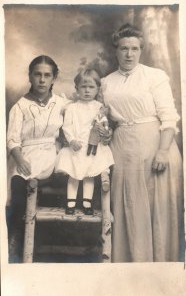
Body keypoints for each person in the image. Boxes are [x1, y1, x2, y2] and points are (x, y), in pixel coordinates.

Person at [101, 23, 184, 262]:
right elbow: (106, 119)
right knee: (127, 206)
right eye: (124, 48)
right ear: (115, 50)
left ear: (141, 50)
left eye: (135, 49)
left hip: (154, 145)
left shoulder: (154, 76)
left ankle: (159, 270)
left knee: (155, 207)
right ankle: (129, 268)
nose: (129, 54)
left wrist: (163, 151)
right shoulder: (107, 82)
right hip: (121, 148)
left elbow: (168, 117)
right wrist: (105, 132)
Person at [7, 55, 70, 263]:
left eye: (47, 75)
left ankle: (51, 244)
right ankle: (15, 238)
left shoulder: (61, 103)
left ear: (54, 78)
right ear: (30, 77)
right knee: (18, 181)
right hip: (26, 154)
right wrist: (20, 159)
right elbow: (13, 140)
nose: (42, 80)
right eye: (37, 75)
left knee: (64, 171)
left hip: (52, 151)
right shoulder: (20, 106)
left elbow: (80, 117)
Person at [55, 69, 114, 215]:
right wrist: (72, 140)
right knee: (74, 174)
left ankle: (87, 203)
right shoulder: (72, 108)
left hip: (93, 147)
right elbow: (67, 126)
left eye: (91, 87)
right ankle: (71, 203)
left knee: (89, 174)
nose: (87, 90)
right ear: (77, 89)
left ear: (97, 89)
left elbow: (103, 124)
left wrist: (105, 131)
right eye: (83, 87)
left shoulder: (99, 108)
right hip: (77, 146)